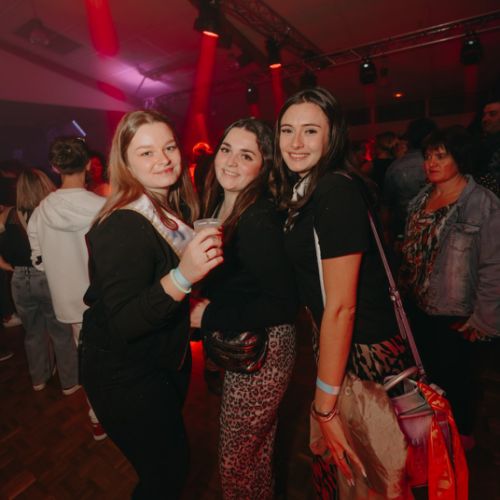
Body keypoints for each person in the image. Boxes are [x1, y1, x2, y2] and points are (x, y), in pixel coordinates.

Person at [271, 87, 410, 497]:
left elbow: (341, 308)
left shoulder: (334, 189)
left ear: (332, 136)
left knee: (365, 476)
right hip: (342, 345)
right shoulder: (310, 188)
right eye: (287, 130)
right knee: (350, 472)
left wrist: (325, 405)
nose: (296, 143)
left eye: (310, 131)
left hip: (362, 354)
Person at [79, 110, 223, 499]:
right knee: (166, 475)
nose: (163, 159)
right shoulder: (123, 225)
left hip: (158, 362)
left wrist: (190, 301)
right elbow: (125, 321)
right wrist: (183, 276)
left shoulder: (165, 206)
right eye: (146, 153)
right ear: (125, 163)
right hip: (123, 375)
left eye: (169, 147)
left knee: (169, 466)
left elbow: (151, 288)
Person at [190, 118, 298, 499]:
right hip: (249, 339)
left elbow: (283, 303)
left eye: (246, 155)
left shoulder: (258, 218)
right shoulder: (222, 204)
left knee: (237, 459)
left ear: (264, 166)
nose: (231, 162)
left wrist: (208, 315)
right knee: (254, 450)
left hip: (266, 349)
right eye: (226, 149)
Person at [399, 126, 500, 449]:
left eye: (441, 156)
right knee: (427, 377)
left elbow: (493, 266)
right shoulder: (421, 198)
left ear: (460, 159)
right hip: (419, 305)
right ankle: (435, 438)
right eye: (428, 156)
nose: (431, 163)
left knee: (458, 381)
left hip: (457, 311)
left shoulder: (481, 203)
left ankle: (461, 441)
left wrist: (482, 320)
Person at [0, 169, 78, 392]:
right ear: (44, 185)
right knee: (60, 332)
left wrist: (5, 265)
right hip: (47, 276)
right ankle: (70, 382)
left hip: (19, 280)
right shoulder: (49, 213)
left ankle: (39, 379)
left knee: (33, 332)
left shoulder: (7, 214)